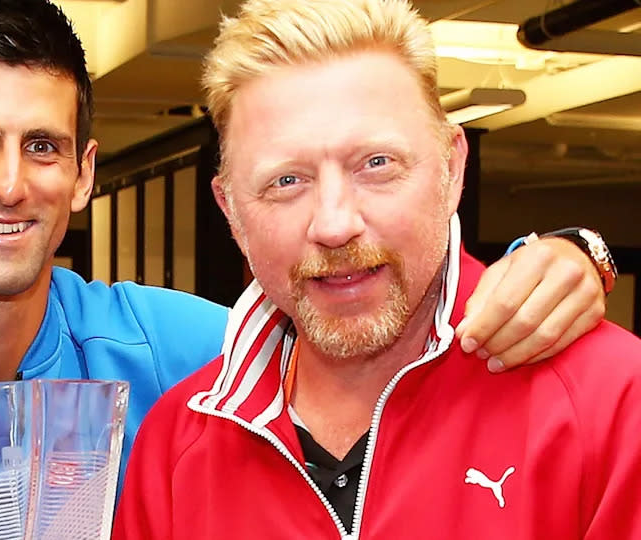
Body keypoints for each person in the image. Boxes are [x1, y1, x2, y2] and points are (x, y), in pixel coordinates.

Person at [0, 0, 614, 538]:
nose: (11, 183)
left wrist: (571, 256)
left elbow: (347, 317)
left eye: (45, 148)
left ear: (86, 174)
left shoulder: (184, 358)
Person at [112, 0, 641, 538]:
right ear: (232, 213)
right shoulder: (178, 443)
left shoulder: (610, 401)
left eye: (376, 164)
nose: (335, 224)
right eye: (287, 181)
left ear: (452, 168)